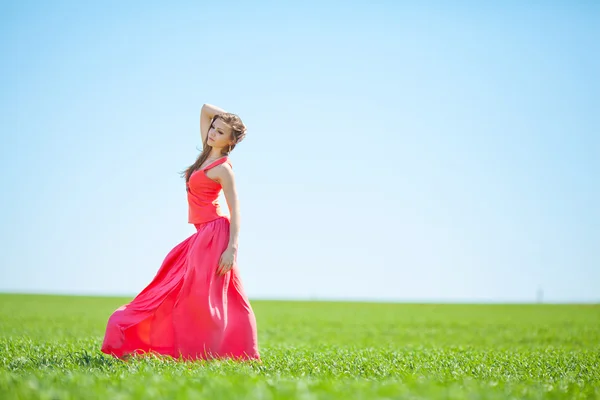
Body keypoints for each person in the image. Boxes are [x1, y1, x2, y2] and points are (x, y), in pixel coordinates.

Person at [100, 104, 260, 362]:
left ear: (230, 141)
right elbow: (206, 109)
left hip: (215, 234)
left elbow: (236, 209)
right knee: (178, 286)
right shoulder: (207, 153)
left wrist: (232, 248)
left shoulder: (222, 169)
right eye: (213, 128)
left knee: (205, 295)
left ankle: (214, 353)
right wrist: (229, 120)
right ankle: (151, 343)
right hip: (201, 235)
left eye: (220, 133)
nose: (212, 133)